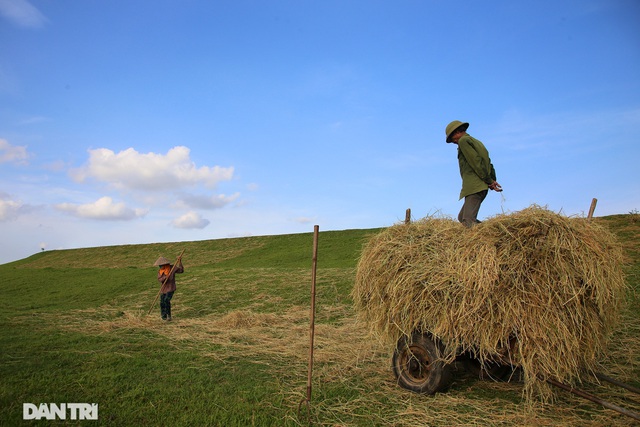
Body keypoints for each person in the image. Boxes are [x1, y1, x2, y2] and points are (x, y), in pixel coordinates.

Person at [445, 120, 502, 227]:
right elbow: (488, 163)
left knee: (468, 221)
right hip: (481, 185)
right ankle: (490, 229)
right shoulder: (477, 142)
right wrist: (492, 180)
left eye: (452, 139)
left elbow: (476, 162)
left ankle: (494, 231)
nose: (453, 142)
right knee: (462, 217)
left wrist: (489, 181)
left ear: (457, 132)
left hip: (475, 185)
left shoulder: (464, 141)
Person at [153, 255, 184, 321]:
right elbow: (160, 279)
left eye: (161, 265)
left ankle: (169, 316)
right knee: (162, 302)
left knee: (166, 300)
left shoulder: (172, 268)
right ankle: (163, 316)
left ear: (165, 264)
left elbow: (181, 270)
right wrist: (165, 277)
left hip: (170, 288)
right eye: (159, 265)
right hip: (163, 289)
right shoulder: (160, 271)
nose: (160, 266)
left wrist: (179, 261)